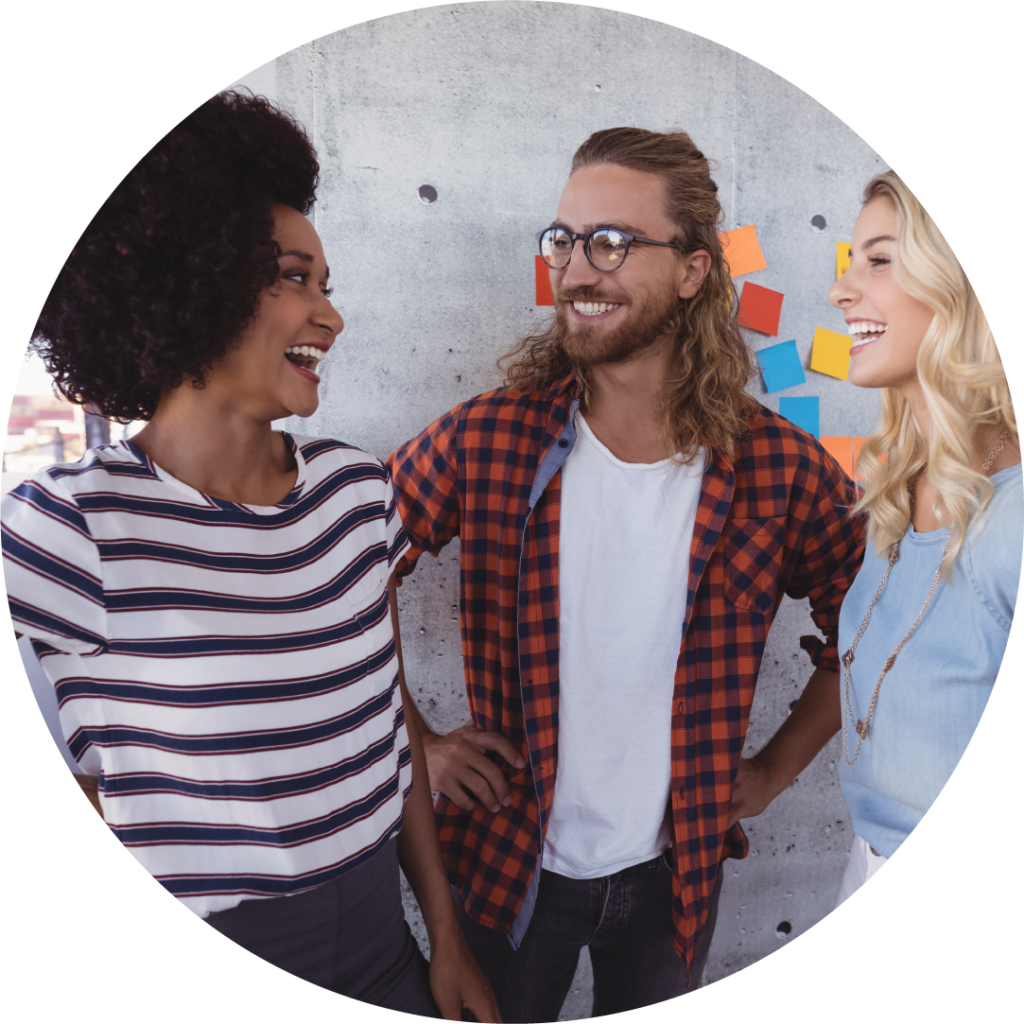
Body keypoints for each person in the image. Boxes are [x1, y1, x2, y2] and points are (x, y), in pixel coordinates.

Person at [2, 90, 500, 1022]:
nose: (331, 318)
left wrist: (446, 940)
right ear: (194, 279)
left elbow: (385, 719)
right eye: (296, 278)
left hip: (383, 938)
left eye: (329, 285)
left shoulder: (358, 494)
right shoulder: (72, 531)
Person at [386, 126, 866, 1020]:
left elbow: (871, 632)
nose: (576, 269)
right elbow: (337, 574)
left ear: (692, 269)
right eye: (564, 240)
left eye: (611, 242)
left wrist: (772, 773)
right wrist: (420, 740)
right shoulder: (486, 438)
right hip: (506, 868)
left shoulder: (779, 468)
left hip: (675, 877)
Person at [826, 170, 1020, 905]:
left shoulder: (1014, 520)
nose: (842, 291)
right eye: (849, 262)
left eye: (879, 259)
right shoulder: (892, 497)